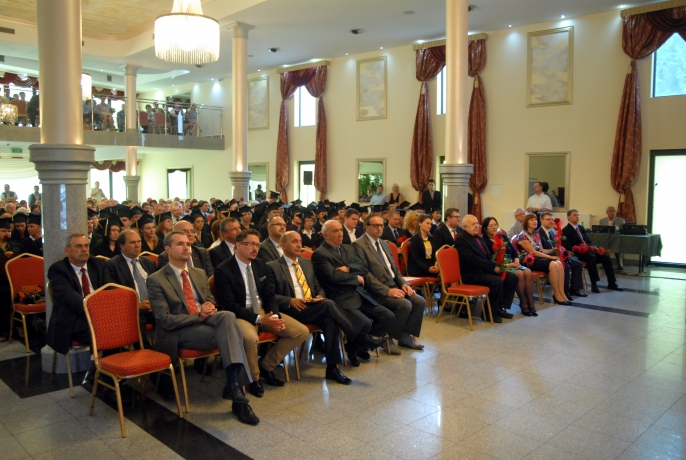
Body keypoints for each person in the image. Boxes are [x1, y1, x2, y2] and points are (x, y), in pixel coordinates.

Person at [147, 231, 258, 425]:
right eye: (180, 244)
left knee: (228, 316)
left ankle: (234, 387)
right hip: (179, 331)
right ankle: (237, 396)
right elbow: (164, 320)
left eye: (188, 244)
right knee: (232, 335)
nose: (186, 247)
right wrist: (197, 315)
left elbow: (211, 302)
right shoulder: (156, 279)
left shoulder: (198, 273)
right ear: (167, 249)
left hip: (206, 322)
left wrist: (209, 307)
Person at [268, 232, 386, 384]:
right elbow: (269, 295)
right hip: (292, 309)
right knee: (328, 305)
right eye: (294, 242)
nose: (299, 245)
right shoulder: (272, 266)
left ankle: (332, 369)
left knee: (331, 321)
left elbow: (318, 287)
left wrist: (319, 295)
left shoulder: (306, 263)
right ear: (283, 245)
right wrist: (289, 300)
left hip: (312, 306)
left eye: (300, 241)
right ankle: (362, 337)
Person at [213, 229, 308, 394]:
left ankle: (266, 365)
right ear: (238, 245)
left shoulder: (261, 265)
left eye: (257, 245)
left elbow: (269, 295)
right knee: (250, 338)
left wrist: (275, 316)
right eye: (250, 244)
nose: (255, 248)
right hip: (241, 313)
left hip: (264, 310)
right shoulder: (224, 269)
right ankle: (253, 379)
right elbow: (229, 305)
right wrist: (259, 319)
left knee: (301, 332)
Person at [312, 220, 393, 365]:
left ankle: (356, 347)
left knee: (387, 316)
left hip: (360, 294)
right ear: (325, 235)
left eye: (340, 230)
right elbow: (333, 277)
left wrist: (348, 268)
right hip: (340, 297)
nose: (340, 234)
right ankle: (357, 348)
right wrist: (356, 278)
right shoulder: (320, 254)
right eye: (335, 231)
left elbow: (363, 267)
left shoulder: (348, 248)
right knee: (365, 323)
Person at [353, 215, 425, 353]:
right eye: (376, 225)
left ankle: (405, 336)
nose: (380, 228)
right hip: (375, 291)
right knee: (404, 304)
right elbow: (365, 275)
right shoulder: (359, 245)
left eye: (381, 225)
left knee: (419, 301)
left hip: (394, 285)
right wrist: (387, 291)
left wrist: (403, 284)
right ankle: (387, 338)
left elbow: (394, 269)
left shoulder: (384, 243)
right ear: (366, 226)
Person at [46, 234, 110, 370]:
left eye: (86, 246)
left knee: (118, 325)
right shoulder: (58, 270)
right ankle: (98, 369)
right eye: (78, 246)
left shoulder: (98, 264)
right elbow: (70, 299)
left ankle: (101, 369)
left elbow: (109, 290)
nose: (84, 249)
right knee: (103, 330)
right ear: (67, 250)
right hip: (72, 319)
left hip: (101, 315)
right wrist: (97, 311)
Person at [454, 215, 518, 323]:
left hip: (483, 271)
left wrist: (498, 265)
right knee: (496, 281)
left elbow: (487, 257)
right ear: (465, 226)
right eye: (473, 224)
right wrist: (493, 268)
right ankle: (488, 313)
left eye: (477, 223)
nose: (476, 226)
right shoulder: (461, 240)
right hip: (471, 274)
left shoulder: (478, 238)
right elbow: (472, 260)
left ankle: (500, 307)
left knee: (512, 277)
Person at [106, 229, 157, 347]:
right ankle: (147, 354)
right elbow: (112, 292)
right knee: (138, 327)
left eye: (139, 241)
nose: (137, 245)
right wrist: (136, 305)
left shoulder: (149, 263)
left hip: (154, 307)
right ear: (122, 246)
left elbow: (158, 286)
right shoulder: (112, 265)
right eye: (133, 242)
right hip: (132, 310)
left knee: (170, 320)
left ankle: (167, 353)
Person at [482, 216, 538, 316]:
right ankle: (523, 303)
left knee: (527, 272)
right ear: (485, 228)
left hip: (513, 263)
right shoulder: (484, 241)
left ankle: (531, 302)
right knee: (519, 274)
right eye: (491, 225)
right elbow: (490, 260)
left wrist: (516, 260)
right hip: (501, 266)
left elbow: (514, 251)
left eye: (495, 225)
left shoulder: (502, 237)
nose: (494, 227)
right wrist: (509, 264)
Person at [563, 209, 623, 293]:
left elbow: (587, 240)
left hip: (588, 251)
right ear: (568, 217)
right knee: (591, 258)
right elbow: (567, 245)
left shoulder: (581, 228)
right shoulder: (566, 230)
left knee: (605, 256)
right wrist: (579, 248)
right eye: (575, 215)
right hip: (578, 253)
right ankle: (594, 284)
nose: (577, 217)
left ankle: (612, 283)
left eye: (578, 215)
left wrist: (593, 247)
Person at [516, 213, 570, 305]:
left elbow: (541, 250)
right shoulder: (522, 236)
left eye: (535, 220)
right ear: (526, 222)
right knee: (553, 264)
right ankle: (557, 294)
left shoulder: (536, 234)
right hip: (529, 261)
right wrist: (550, 257)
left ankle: (562, 293)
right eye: (531, 220)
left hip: (539, 259)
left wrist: (554, 250)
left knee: (559, 263)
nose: (535, 221)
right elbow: (534, 252)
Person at [537, 212, 587, 299]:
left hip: (556, 255)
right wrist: (555, 251)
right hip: (547, 257)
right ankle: (564, 292)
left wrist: (563, 251)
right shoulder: (538, 233)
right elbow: (540, 251)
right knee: (566, 267)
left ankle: (575, 289)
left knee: (577, 263)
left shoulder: (552, 232)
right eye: (548, 219)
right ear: (541, 220)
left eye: (552, 220)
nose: (551, 221)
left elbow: (557, 245)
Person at [0, 217, 25, 342]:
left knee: (21, 294)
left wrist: (13, 256)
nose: (7, 233)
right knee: (3, 294)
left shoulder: (16, 246)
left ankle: (20, 326)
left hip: (16, 282)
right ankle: (3, 330)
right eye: (3, 231)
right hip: (1, 282)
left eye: (9, 231)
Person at [599, 205, 626, 270]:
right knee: (601, 246)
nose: (612, 213)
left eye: (613, 211)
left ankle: (620, 265)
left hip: (617, 240)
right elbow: (600, 231)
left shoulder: (621, 220)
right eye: (610, 211)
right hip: (605, 240)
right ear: (607, 212)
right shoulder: (602, 221)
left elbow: (622, 231)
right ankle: (603, 264)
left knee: (617, 247)